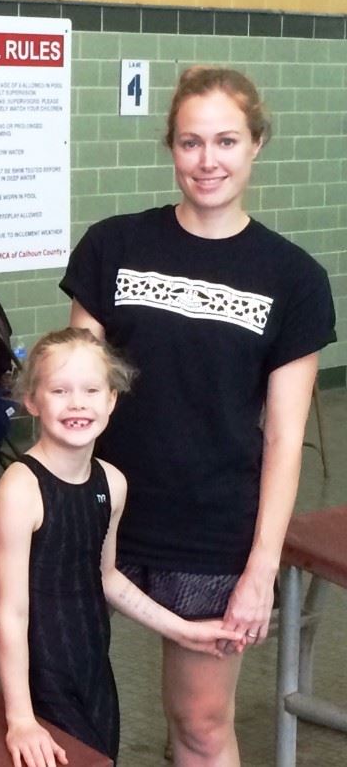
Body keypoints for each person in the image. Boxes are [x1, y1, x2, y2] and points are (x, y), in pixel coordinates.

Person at [61, 66, 336, 764]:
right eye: (190, 143)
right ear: (171, 148)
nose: (207, 161)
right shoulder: (114, 248)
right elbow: (73, 392)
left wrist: (259, 567)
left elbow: (283, 435)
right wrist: (52, 513)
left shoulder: (293, 278)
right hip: (103, 513)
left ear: (256, 146)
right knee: (50, 706)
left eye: (226, 141)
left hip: (211, 530)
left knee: (202, 725)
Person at [0, 328, 239, 767]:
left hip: (92, 667)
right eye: (59, 390)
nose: (77, 403)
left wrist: (184, 630)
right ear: (32, 401)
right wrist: (21, 717)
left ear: (111, 401)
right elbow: (12, 611)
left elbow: (106, 578)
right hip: (40, 673)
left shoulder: (111, 483)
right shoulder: (21, 489)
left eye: (91, 390)